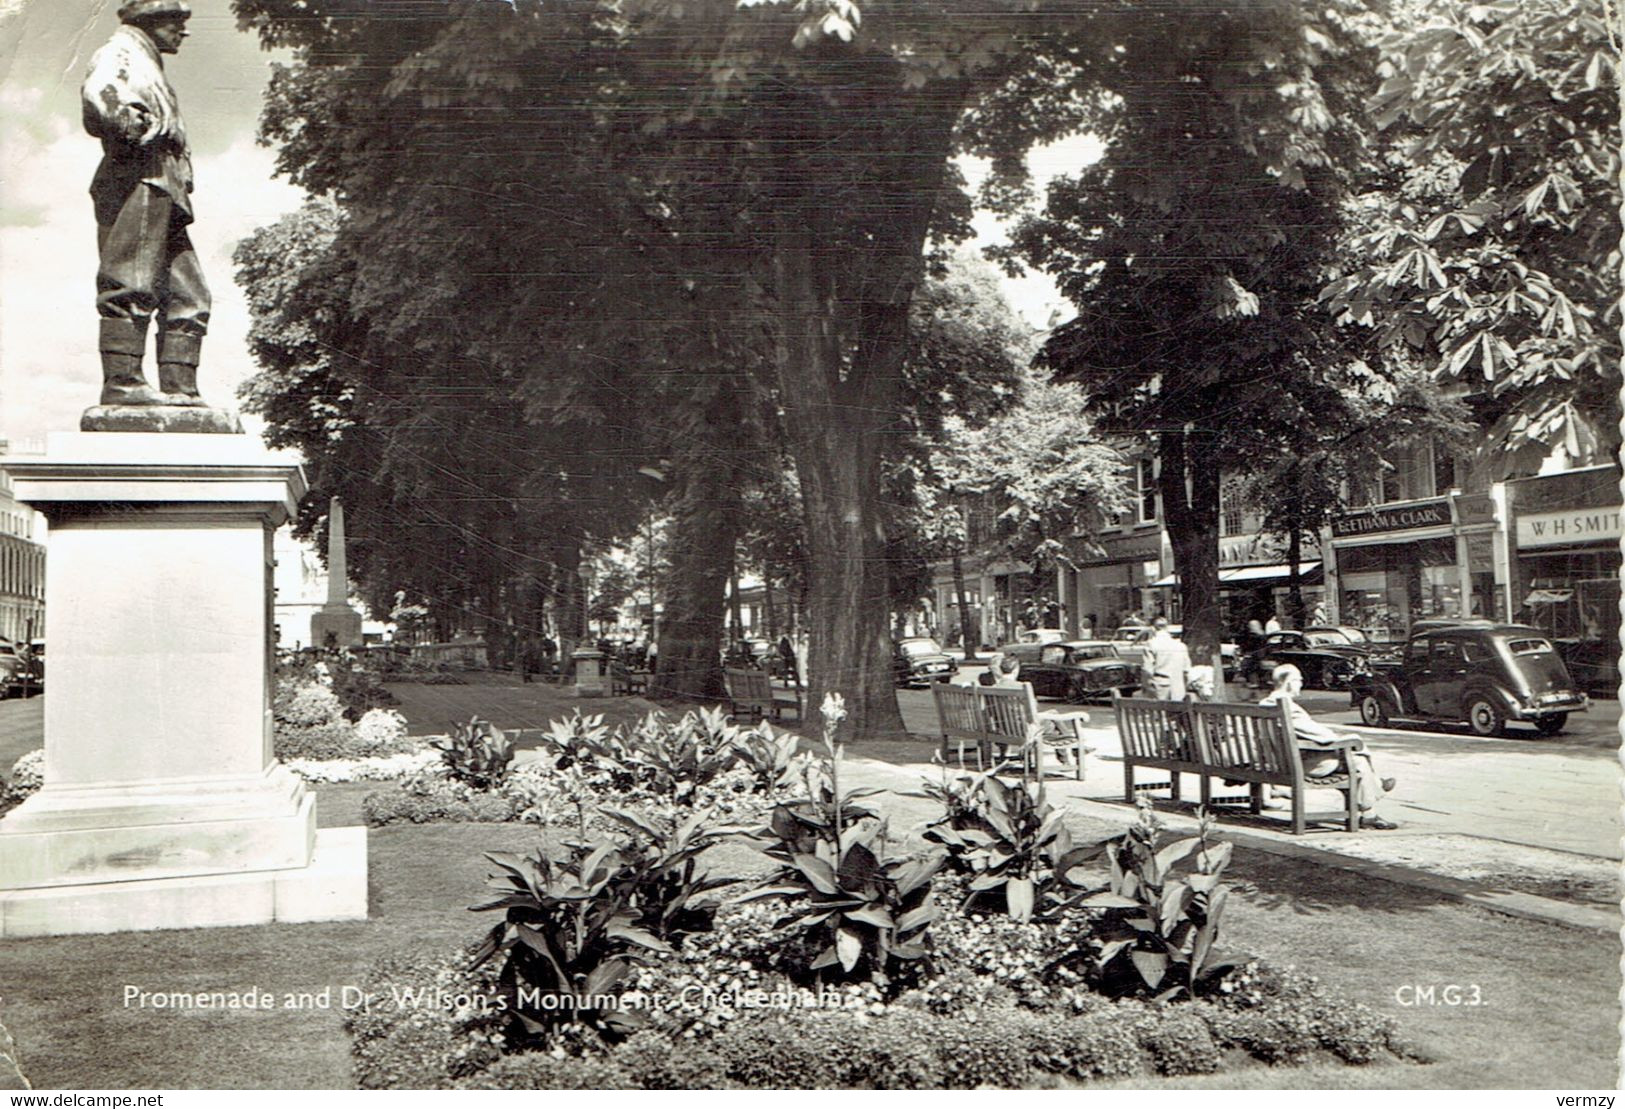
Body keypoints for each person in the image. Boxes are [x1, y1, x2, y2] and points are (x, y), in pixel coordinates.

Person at [82, 0, 210, 407]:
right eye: (176, 21)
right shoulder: (120, 53)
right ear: (150, 20)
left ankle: (181, 390)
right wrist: (141, 132)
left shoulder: (147, 61)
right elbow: (102, 101)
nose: (183, 31)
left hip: (163, 184)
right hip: (139, 175)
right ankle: (123, 385)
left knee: (189, 295)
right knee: (131, 282)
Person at [1260, 663, 1397, 829]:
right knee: (1357, 759)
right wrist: (1346, 739)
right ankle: (1370, 809)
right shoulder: (1288, 708)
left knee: (1355, 758)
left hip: (1280, 763)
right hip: (1299, 766)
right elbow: (1322, 736)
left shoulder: (1265, 704)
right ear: (1289, 682)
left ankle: (1375, 791)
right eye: (1299, 680)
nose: (1301, 684)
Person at [1140, 617, 1192, 700]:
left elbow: (1147, 669)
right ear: (1167, 628)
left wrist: (1146, 687)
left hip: (1160, 687)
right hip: (1178, 688)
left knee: (1160, 711)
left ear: (1153, 628)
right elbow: (1186, 670)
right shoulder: (1181, 646)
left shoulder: (1151, 644)